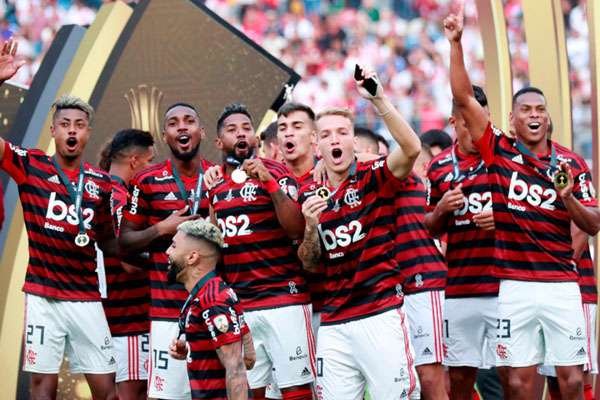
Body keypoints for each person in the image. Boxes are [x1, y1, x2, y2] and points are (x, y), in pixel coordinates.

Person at [445, 3, 600, 399]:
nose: (534, 115)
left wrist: (568, 200)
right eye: (525, 110)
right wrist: (457, 44)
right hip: (512, 285)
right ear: (512, 119)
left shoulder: (570, 163)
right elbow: (463, 98)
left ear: (548, 119)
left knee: (570, 379)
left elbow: (594, 223)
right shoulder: (497, 150)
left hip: (562, 284)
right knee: (517, 380)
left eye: (540, 110)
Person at [0, 38, 117, 400]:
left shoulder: (101, 183)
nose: (71, 130)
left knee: (107, 391)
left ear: (87, 133)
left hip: (86, 297)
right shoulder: (30, 164)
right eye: (64, 123)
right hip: (42, 296)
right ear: (52, 131)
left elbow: (108, 241)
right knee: (41, 387)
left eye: (79, 125)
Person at [297, 66, 420, 399]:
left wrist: (378, 99)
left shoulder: (372, 176)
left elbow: (411, 149)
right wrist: (310, 227)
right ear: (316, 144)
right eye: (326, 134)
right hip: (335, 321)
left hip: (380, 313)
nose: (334, 139)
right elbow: (309, 263)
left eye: (341, 132)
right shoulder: (308, 193)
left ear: (353, 138)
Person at [208, 103, 315, 400]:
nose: (240, 134)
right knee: (251, 392)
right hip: (242, 305)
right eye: (232, 130)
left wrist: (268, 181)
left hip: (285, 298)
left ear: (255, 139)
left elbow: (296, 228)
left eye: (245, 129)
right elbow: (215, 246)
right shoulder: (215, 187)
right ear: (219, 142)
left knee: (297, 390)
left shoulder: (278, 172)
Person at [119, 102, 213, 400]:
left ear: (202, 132)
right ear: (165, 135)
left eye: (189, 121)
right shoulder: (146, 181)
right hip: (166, 314)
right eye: (174, 123)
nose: (182, 127)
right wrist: (162, 230)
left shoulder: (219, 177)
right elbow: (124, 243)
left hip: (214, 310)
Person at [424, 86, 506, 400]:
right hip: (460, 290)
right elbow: (430, 226)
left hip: (505, 288)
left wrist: (501, 217)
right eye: (466, 122)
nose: (474, 129)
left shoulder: (505, 158)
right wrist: (443, 207)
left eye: (481, 121)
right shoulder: (439, 166)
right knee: (459, 380)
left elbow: (530, 213)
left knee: (513, 378)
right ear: (452, 122)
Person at [166, 219, 254, 400]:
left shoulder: (213, 300)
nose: (167, 252)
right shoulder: (210, 293)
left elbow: (237, 368)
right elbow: (249, 357)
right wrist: (196, 350)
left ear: (192, 257)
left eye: (174, 246)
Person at [98, 129, 155, 400]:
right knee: (131, 393)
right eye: (150, 162)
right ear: (134, 161)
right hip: (128, 317)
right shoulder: (118, 195)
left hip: (115, 316)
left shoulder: (102, 187)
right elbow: (129, 262)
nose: (152, 169)